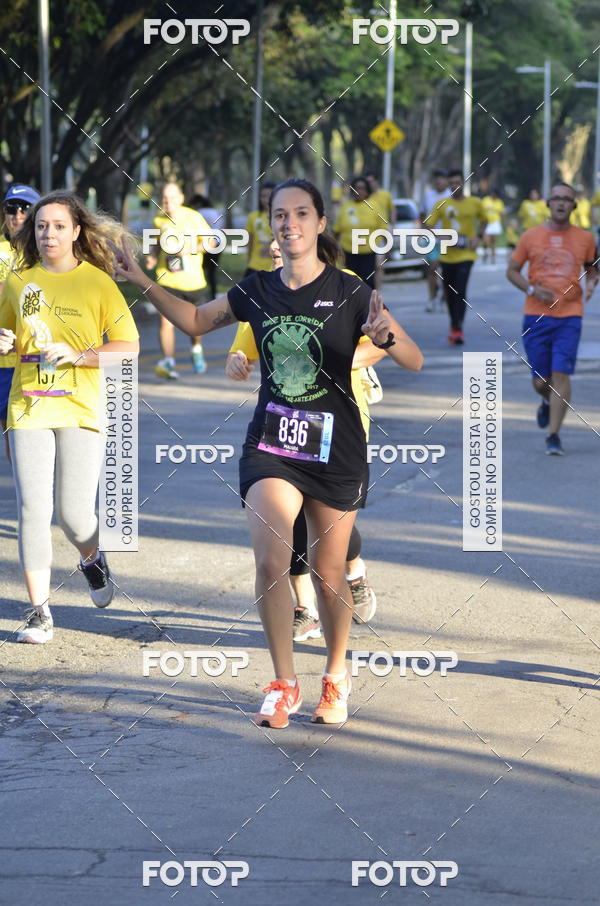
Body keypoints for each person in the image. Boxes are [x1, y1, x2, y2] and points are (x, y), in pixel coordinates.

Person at [114, 176, 423, 729]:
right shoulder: (256, 289)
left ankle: (335, 673)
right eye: (281, 214)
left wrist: (385, 338)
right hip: (273, 444)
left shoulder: (351, 291)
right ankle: (284, 682)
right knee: (271, 560)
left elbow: (414, 359)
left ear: (320, 223)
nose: (289, 223)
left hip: (337, 446)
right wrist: (140, 279)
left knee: (328, 574)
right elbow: (195, 321)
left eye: (301, 213)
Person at [225, 239, 385, 640]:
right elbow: (244, 348)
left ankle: (354, 570)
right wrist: (237, 361)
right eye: (273, 252)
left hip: (339, 425)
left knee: (326, 524)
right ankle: (304, 607)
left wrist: (331, 361)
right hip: (283, 426)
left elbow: (381, 345)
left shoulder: (346, 286)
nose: (278, 255)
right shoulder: (265, 292)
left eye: (284, 248)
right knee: (288, 521)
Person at [0, 191, 140, 643]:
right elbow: (7, 338)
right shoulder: (19, 282)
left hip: (81, 405)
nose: (49, 234)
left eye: (59, 226)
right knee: (32, 509)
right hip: (29, 404)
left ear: (77, 231)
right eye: (42, 225)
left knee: (74, 515)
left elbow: (128, 347)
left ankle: (92, 558)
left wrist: (80, 355)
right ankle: (39, 612)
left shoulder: (97, 283)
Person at [506, 182, 598, 455]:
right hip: (536, 316)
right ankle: (547, 401)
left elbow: (592, 268)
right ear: (548, 203)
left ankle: (553, 436)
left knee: (561, 374)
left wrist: (591, 285)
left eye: (566, 199)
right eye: (556, 198)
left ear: (573, 206)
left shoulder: (585, 238)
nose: (561, 203)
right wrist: (532, 290)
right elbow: (512, 271)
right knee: (541, 381)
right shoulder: (530, 237)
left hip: (570, 316)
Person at [145, 182, 214, 379]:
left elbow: (211, 243)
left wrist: (189, 248)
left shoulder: (194, 217)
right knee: (165, 322)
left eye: (173, 198)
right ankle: (169, 362)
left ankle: (196, 348)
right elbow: (157, 243)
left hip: (192, 282)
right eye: (165, 199)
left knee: (195, 325)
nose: (169, 202)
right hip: (167, 279)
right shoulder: (159, 220)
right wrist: (152, 256)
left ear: (181, 198)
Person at [0, 184, 40, 461]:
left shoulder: (46, 252)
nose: (18, 215)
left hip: (35, 358)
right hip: (3, 360)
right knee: (10, 432)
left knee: (31, 432)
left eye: (25, 208)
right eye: (11, 208)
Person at [427, 169, 487, 345]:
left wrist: (478, 236)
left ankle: (458, 327)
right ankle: (454, 324)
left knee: (460, 290)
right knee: (449, 292)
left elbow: (484, 220)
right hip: (447, 256)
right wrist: (441, 235)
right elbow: (428, 225)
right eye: (451, 183)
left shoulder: (475, 203)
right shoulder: (441, 204)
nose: (455, 186)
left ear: (463, 183)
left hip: (466, 255)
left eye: (457, 182)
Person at [333, 176, 381, 288]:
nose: (359, 191)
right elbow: (337, 229)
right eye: (356, 188)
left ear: (367, 190)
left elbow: (383, 228)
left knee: (368, 283)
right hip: (348, 251)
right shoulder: (346, 207)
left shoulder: (374, 206)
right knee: (351, 283)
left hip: (369, 251)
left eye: (362, 188)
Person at [421, 169, 450, 311]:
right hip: (431, 237)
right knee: (432, 268)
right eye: (436, 178)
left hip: (447, 238)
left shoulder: (450, 196)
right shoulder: (428, 195)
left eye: (442, 178)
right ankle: (431, 298)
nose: (439, 181)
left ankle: (444, 299)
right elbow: (422, 214)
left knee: (446, 271)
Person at [189, 193, 225, 299]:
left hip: (206, 244)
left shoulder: (199, 213)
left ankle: (197, 294)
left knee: (199, 270)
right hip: (218, 243)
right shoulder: (215, 212)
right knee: (212, 273)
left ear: (198, 204)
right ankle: (213, 295)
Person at [245, 182, 275, 276]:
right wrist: (248, 259)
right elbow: (250, 241)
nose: (266, 200)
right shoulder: (253, 216)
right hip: (254, 266)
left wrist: (270, 247)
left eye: (269, 196)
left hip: (274, 267)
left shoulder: (282, 217)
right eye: (263, 196)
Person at [481, 189, 506, 265]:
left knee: (493, 241)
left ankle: (493, 257)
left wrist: (504, 223)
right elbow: (481, 210)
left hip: (495, 222)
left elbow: (502, 213)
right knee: (486, 241)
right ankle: (485, 253)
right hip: (486, 222)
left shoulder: (499, 202)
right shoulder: (486, 200)